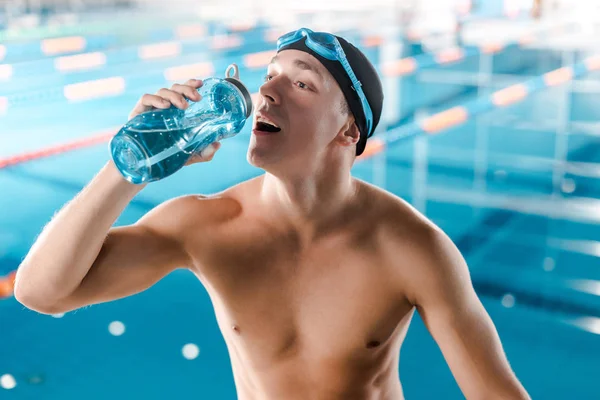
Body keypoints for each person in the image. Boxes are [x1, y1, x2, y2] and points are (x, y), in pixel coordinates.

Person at [14, 28, 530, 399]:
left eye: (301, 83)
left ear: (349, 130)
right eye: (269, 77)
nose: (266, 93)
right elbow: (40, 293)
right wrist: (127, 168)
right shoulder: (207, 226)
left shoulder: (411, 247)